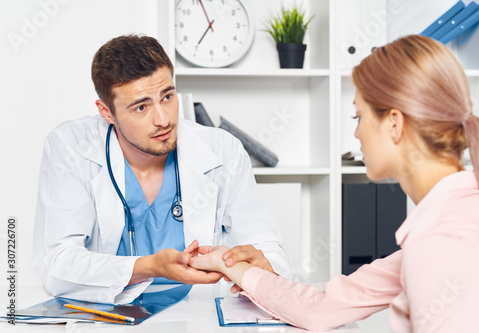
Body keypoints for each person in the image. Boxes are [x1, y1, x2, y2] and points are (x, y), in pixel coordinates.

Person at [188, 34, 479, 332]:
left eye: (358, 117)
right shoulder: (453, 221)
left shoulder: (445, 239)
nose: (356, 134)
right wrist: (229, 263)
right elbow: (322, 307)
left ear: (394, 123)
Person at [33, 34, 294, 304]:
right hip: (109, 311)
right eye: (141, 107)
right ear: (106, 112)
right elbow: (56, 263)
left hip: (201, 310)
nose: (163, 119)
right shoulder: (71, 147)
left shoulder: (222, 150)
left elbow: (268, 247)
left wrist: (264, 266)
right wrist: (148, 267)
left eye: (167, 96)